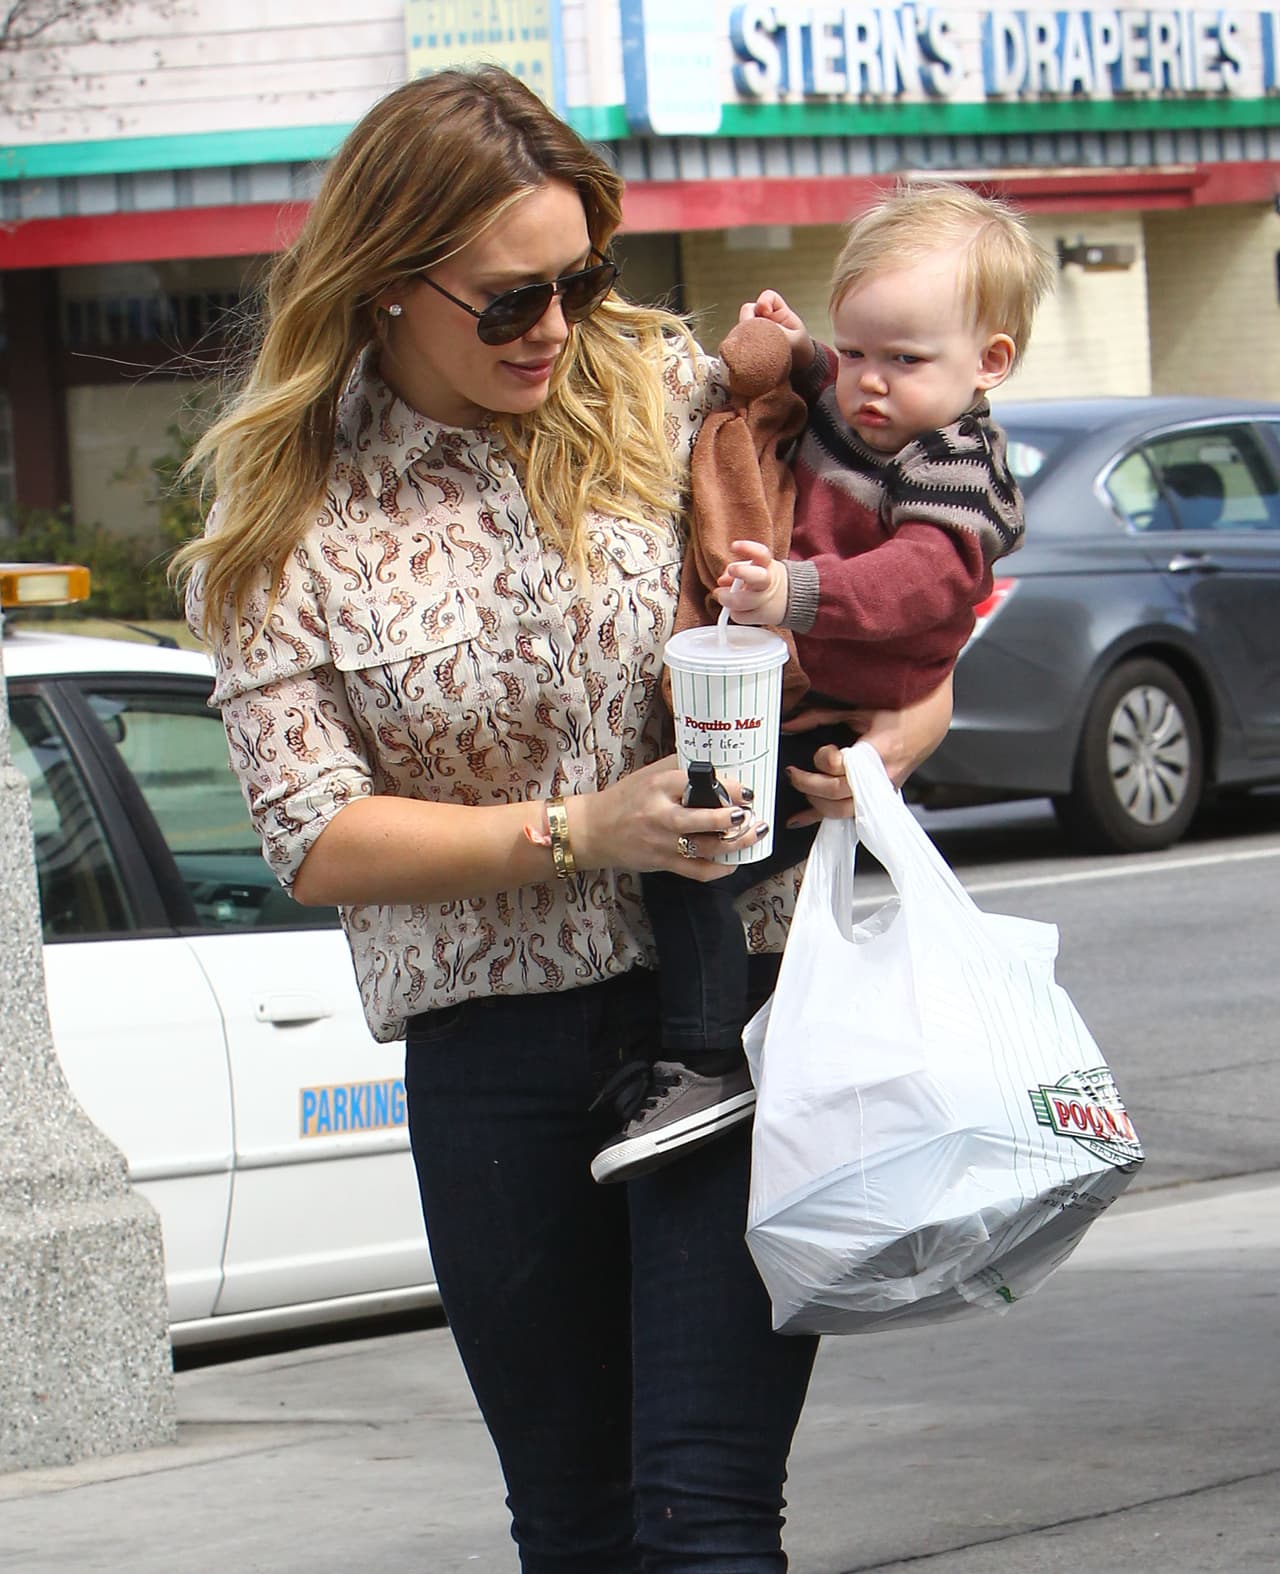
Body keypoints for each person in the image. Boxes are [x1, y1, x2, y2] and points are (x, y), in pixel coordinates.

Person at [174, 67, 952, 1573]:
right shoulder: (287, 528)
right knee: (581, 1527)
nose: (555, 328)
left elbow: (915, 579)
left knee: (709, 1514)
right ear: (389, 286)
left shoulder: (667, 393)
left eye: (583, 281)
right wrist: (576, 828)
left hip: (727, 1017)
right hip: (496, 1057)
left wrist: (899, 738)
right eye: (511, 299)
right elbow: (312, 832)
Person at [594, 185, 1055, 1187]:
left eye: (903, 359)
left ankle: (708, 1058)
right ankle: (707, 1043)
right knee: (695, 855)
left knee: (699, 855)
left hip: (838, 703)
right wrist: (793, 346)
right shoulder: (868, 410)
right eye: (854, 353)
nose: (866, 385)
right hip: (803, 686)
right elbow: (821, 387)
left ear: (988, 363)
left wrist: (792, 592)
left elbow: (923, 576)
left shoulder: (952, 459)